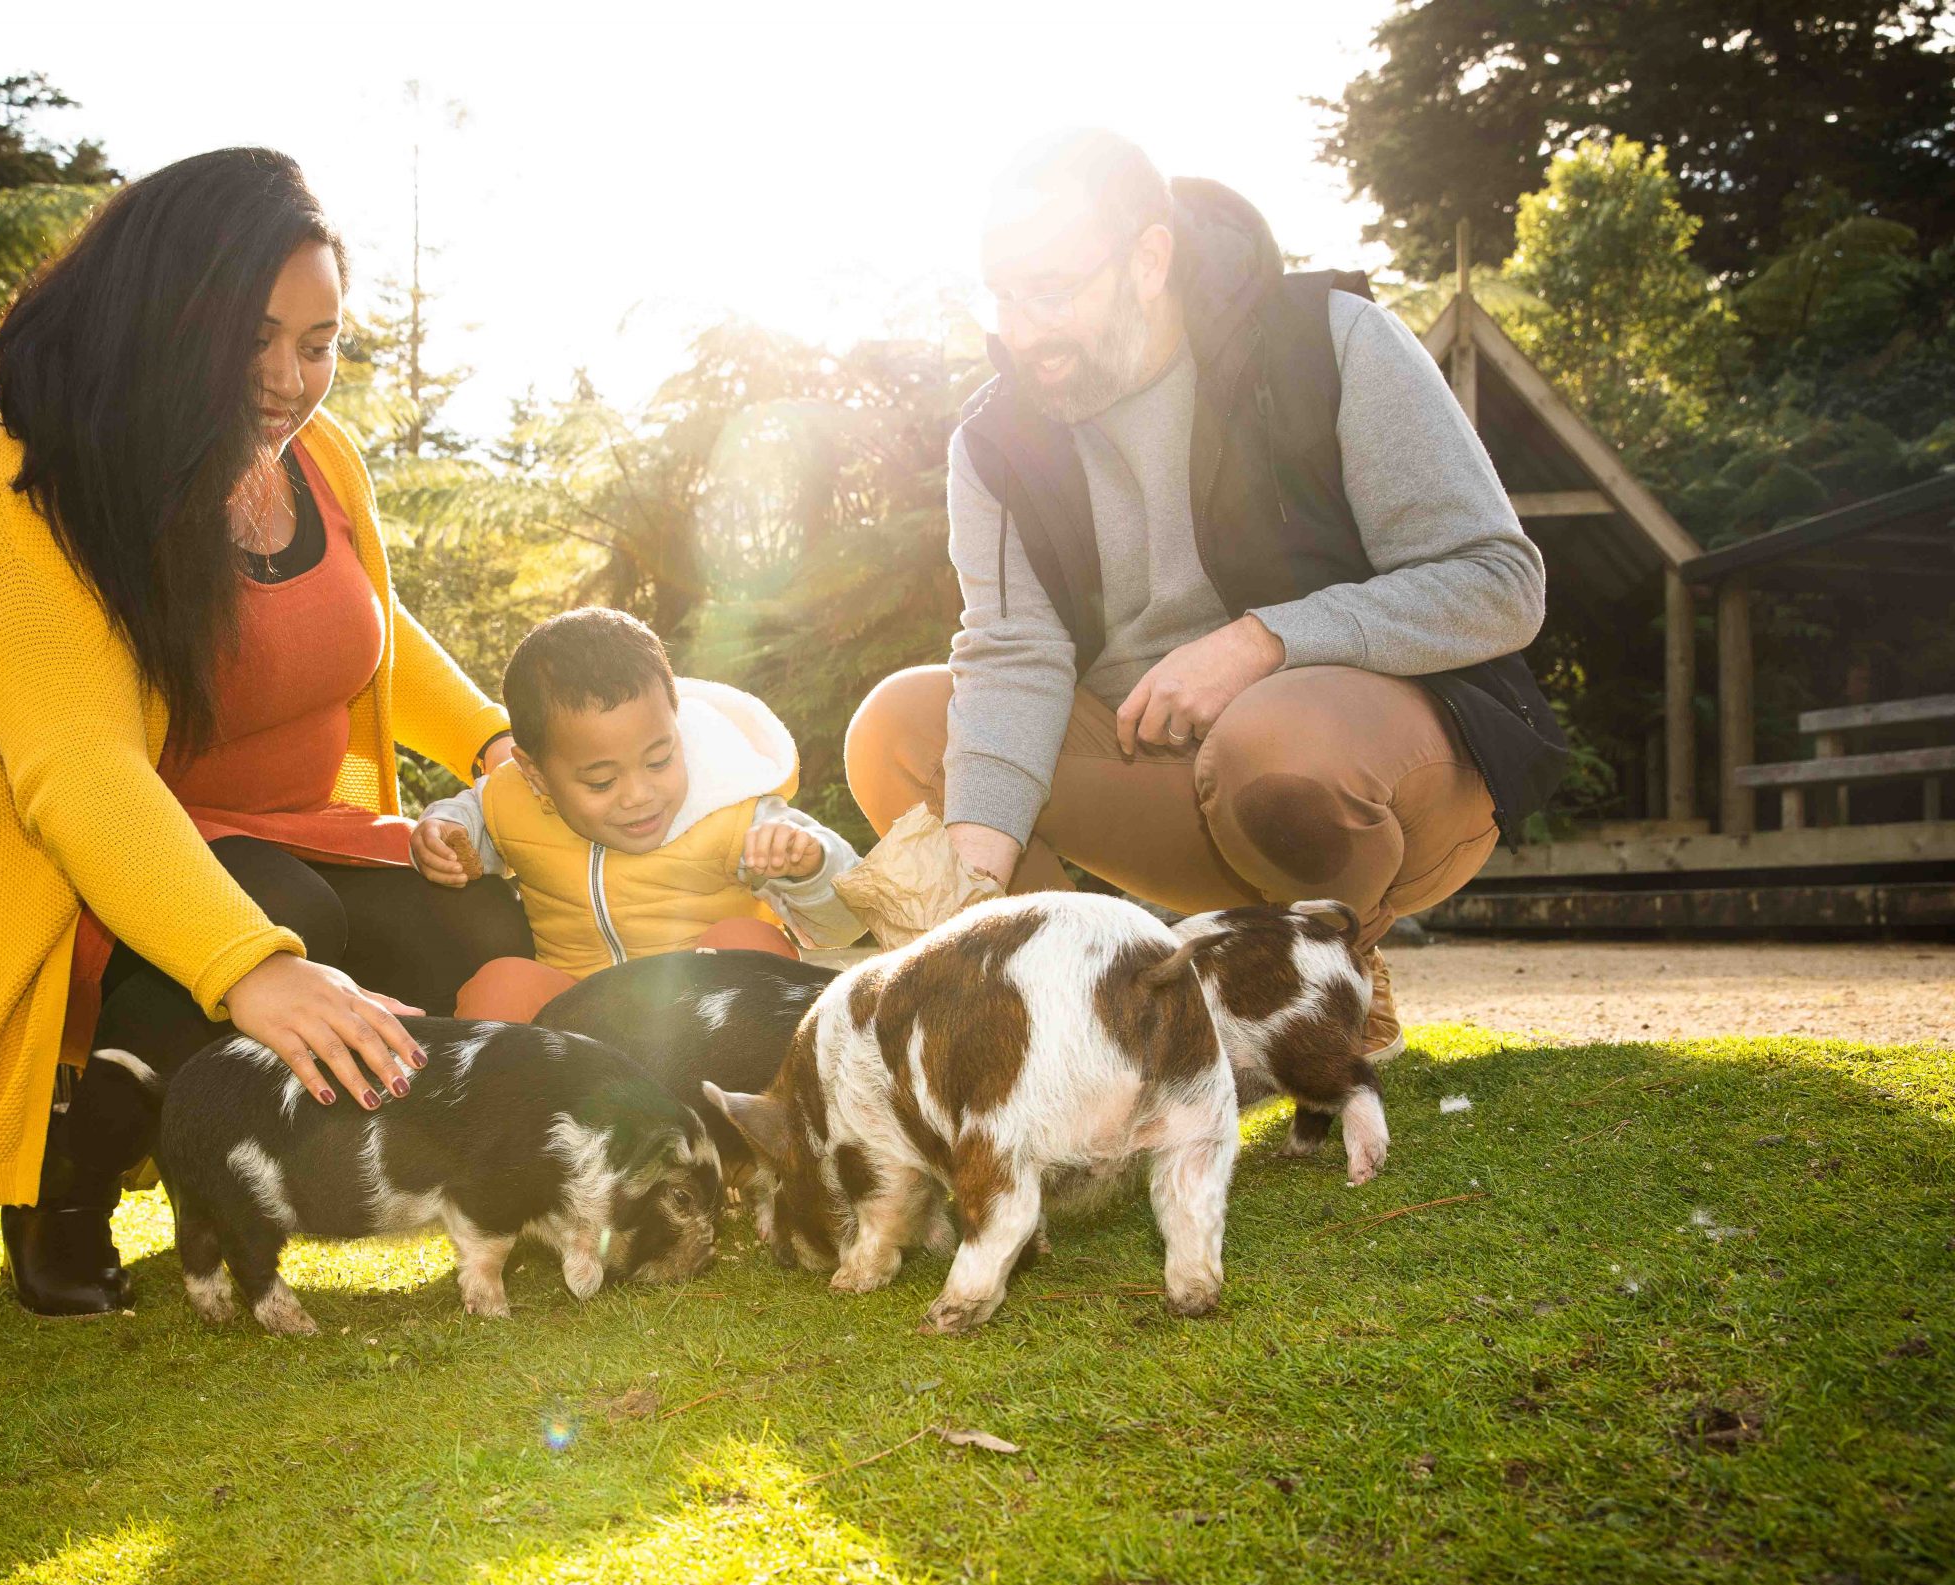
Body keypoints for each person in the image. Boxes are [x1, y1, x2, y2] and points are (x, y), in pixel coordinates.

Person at [0, 149, 533, 1317]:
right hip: (76, 873)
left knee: (478, 920)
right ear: (165, 318)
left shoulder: (315, 459)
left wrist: (491, 742)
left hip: (283, 836)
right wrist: (252, 970)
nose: (285, 381)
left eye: (316, 345)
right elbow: (80, 774)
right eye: (250, 339)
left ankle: (381, 1167)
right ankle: (69, 1178)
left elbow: (361, 624)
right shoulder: (23, 494)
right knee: (285, 914)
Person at [844, 130, 1567, 1059]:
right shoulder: (994, 441)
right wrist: (972, 878)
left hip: (1373, 782)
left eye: (1052, 292)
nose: (1020, 332)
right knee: (900, 731)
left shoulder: (1332, 343)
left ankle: (1333, 971)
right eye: (1004, 295)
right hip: (1161, 781)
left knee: (1275, 746)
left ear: (1149, 259)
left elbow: (1500, 584)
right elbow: (1011, 654)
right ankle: (1056, 1045)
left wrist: (1260, 642)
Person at [410, 607, 864, 1021]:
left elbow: (846, 921)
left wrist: (810, 869)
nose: (639, 795)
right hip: (582, 1014)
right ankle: (509, 1107)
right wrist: (444, 833)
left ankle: (751, 1103)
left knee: (749, 943)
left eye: (659, 760)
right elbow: (469, 815)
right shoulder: (511, 800)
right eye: (602, 782)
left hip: (709, 1020)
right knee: (501, 984)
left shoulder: (734, 807)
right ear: (537, 774)